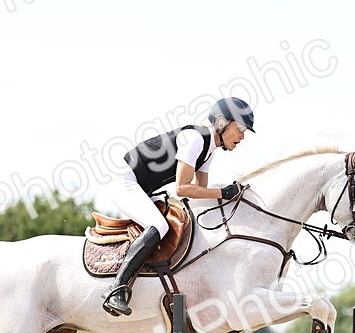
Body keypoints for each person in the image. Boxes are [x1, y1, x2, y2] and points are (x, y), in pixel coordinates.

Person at [101, 97, 255, 317]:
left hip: (144, 188)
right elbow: (182, 188)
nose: (242, 136)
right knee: (160, 226)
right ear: (221, 123)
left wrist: (232, 197)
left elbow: (200, 192)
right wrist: (222, 193)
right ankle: (116, 289)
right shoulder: (196, 139)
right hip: (125, 180)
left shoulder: (209, 150)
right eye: (240, 128)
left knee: (177, 222)